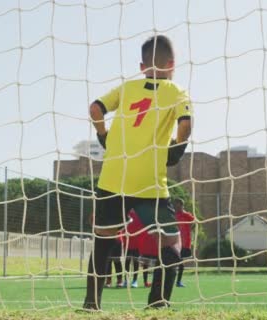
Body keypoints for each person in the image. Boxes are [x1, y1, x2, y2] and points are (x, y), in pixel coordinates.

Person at [83, 34, 192, 310]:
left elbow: (95, 109)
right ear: (172, 63)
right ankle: (157, 302)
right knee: (171, 241)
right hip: (149, 181)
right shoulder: (176, 90)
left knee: (103, 240)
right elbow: (186, 124)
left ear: (142, 65)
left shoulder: (127, 87)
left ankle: (91, 304)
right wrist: (178, 147)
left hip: (113, 175)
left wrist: (103, 135)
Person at [173, 198, 195, 288]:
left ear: (182, 206)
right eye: (175, 205)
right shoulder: (173, 215)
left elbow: (194, 222)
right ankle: (172, 280)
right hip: (174, 242)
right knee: (173, 261)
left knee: (181, 262)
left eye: (178, 205)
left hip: (185, 242)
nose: (176, 207)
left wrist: (189, 230)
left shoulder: (187, 215)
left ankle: (178, 281)